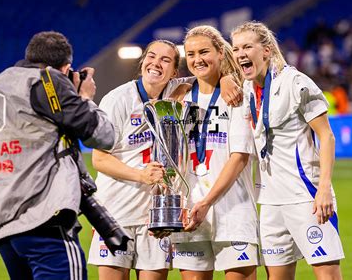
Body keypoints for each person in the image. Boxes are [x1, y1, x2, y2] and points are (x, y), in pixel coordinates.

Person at [87, 39, 243, 280]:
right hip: (117, 214)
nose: (155, 63)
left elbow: (208, 70)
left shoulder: (177, 91)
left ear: (174, 72)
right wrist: (141, 175)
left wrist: (226, 78)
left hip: (157, 218)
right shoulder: (117, 100)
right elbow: (99, 159)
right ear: (142, 62)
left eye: (165, 60)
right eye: (151, 56)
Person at [0, 31, 116, 280]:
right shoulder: (47, 80)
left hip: (2, 224)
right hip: (43, 219)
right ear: (65, 67)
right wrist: (84, 97)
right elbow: (102, 135)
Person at [231, 21, 344, 280]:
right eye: (236, 49)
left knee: (327, 274)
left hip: (306, 195)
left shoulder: (296, 83)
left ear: (266, 50)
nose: (240, 54)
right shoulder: (248, 88)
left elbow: (326, 136)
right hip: (270, 201)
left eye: (247, 46)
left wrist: (324, 188)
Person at [172, 25, 259, 280]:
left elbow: (239, 157)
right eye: (190, 54)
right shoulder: (179, 97)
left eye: (203, 52)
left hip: (233, 210)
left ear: (221, 52)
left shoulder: (237, 94)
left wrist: (207, 202)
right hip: (189, 212)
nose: (197, 59)